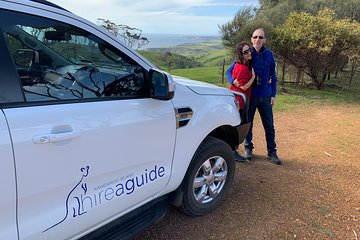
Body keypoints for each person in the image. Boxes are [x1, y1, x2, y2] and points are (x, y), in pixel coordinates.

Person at [226, 28, 282, 165]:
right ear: (252, 39)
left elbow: (273, 76)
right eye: (255, 37)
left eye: (260, 37)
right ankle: (248, 148)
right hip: (250, 97)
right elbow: (229, 71)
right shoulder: (247, 53)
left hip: (266, 96)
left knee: (269, 125)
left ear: (264, 40)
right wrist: (233, 81)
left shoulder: (269, 55)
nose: (258, 40)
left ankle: (272, 152)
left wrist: (273, 94)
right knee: (248, 124)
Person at [229, 41, 255, 162]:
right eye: (246, 52)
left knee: (236, 125)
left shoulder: (242, 64)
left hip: (236, 99)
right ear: (241, 55)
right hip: (239, 101)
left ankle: (232, 151)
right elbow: (244, 87)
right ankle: (233, 152)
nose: (249, 52)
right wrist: (253, 78)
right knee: (237, 127)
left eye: (249, 50)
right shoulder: (242, 68)